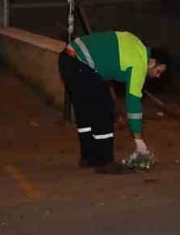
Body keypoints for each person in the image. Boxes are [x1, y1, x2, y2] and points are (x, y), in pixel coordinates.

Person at [58, 30, 167, 172]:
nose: (157, 76)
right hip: (81, 64)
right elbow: (133, 102)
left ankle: (89, 157)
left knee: (86, 112)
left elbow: (109, 60)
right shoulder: (139, 62)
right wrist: (138, 139)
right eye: (158, 71)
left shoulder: (135, 42)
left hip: (67, 59)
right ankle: (105, 161)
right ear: (152, 62)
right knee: (103, 111)